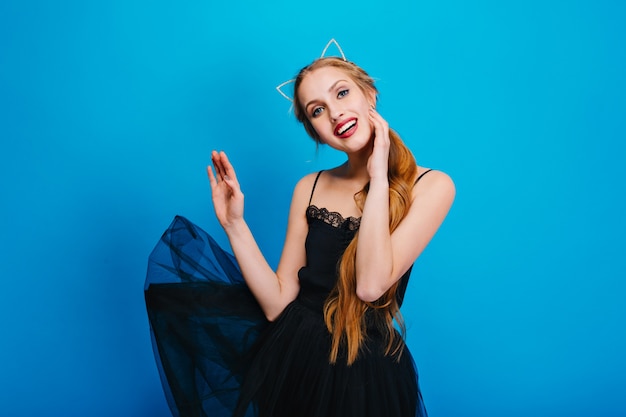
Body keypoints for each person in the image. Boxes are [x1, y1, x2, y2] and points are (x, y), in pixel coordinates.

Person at [145, 40, 455, 417]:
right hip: (296, 361)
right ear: (315, 132)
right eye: (318, 111)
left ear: (370, 95)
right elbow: (278, 305)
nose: (336, 113)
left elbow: (371, 287)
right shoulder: (308, 187)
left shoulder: (432, 185)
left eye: (342, 93)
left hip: (367, 376)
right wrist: (234, 225)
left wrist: (377, 177)